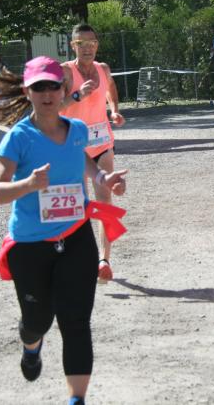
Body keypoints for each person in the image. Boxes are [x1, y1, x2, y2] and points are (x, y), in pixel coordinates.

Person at [0, 56, 128, 405]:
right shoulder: (18, 138)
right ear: (28, 91)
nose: (48, 93)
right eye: (39, 87)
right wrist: (29, 184)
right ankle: (31, 346)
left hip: (76, 237)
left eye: (53, 85)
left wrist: (101, 178)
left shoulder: (77, 130)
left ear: (64, 89)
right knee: (38, 320)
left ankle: (76, 399)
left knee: (76, 321)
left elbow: (82, 160)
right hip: (31, 244)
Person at [61, 23, 125, 284]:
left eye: (92, 43)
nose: (87, 48)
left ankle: (104, 260)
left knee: (105, 203)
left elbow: (110, 88)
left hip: (101, 144)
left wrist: (114, 110)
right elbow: (53, 108)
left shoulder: (103, 69)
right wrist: (76, 96)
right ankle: (76, 258)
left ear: (97, 44)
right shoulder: (65, 72)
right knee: (77, 206)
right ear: (73, 45)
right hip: (73, 147)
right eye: (81, 43)